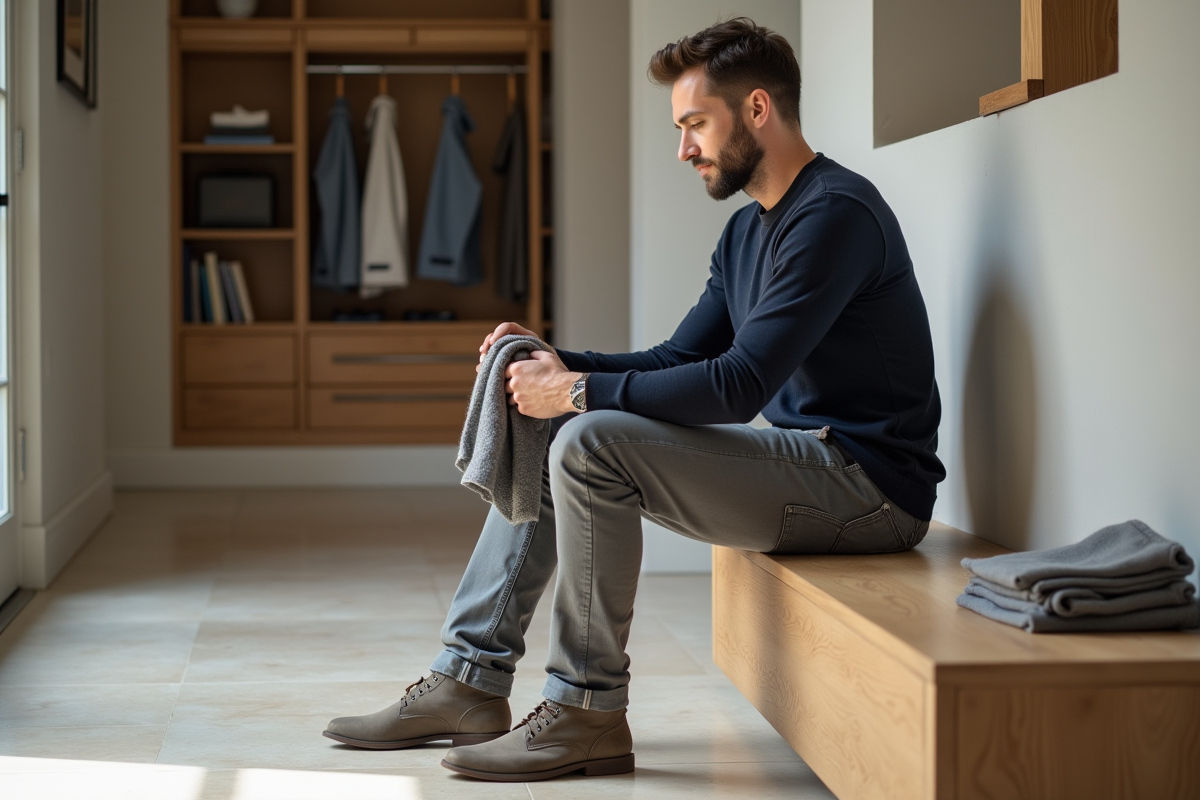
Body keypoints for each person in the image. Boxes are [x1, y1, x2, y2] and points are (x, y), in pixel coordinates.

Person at [323, 17, 945, 783]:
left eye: (694, 124)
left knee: (586, 436)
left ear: (756, 110)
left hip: (868, 487)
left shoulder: (835, 215)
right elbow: (679, 359)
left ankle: (587, 711)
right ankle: (467, 680)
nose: (684, 147)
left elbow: (736, 385)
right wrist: (553, 358)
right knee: (562, 427)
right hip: (808, 467)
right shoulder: (747, 233)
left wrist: (574, 390)